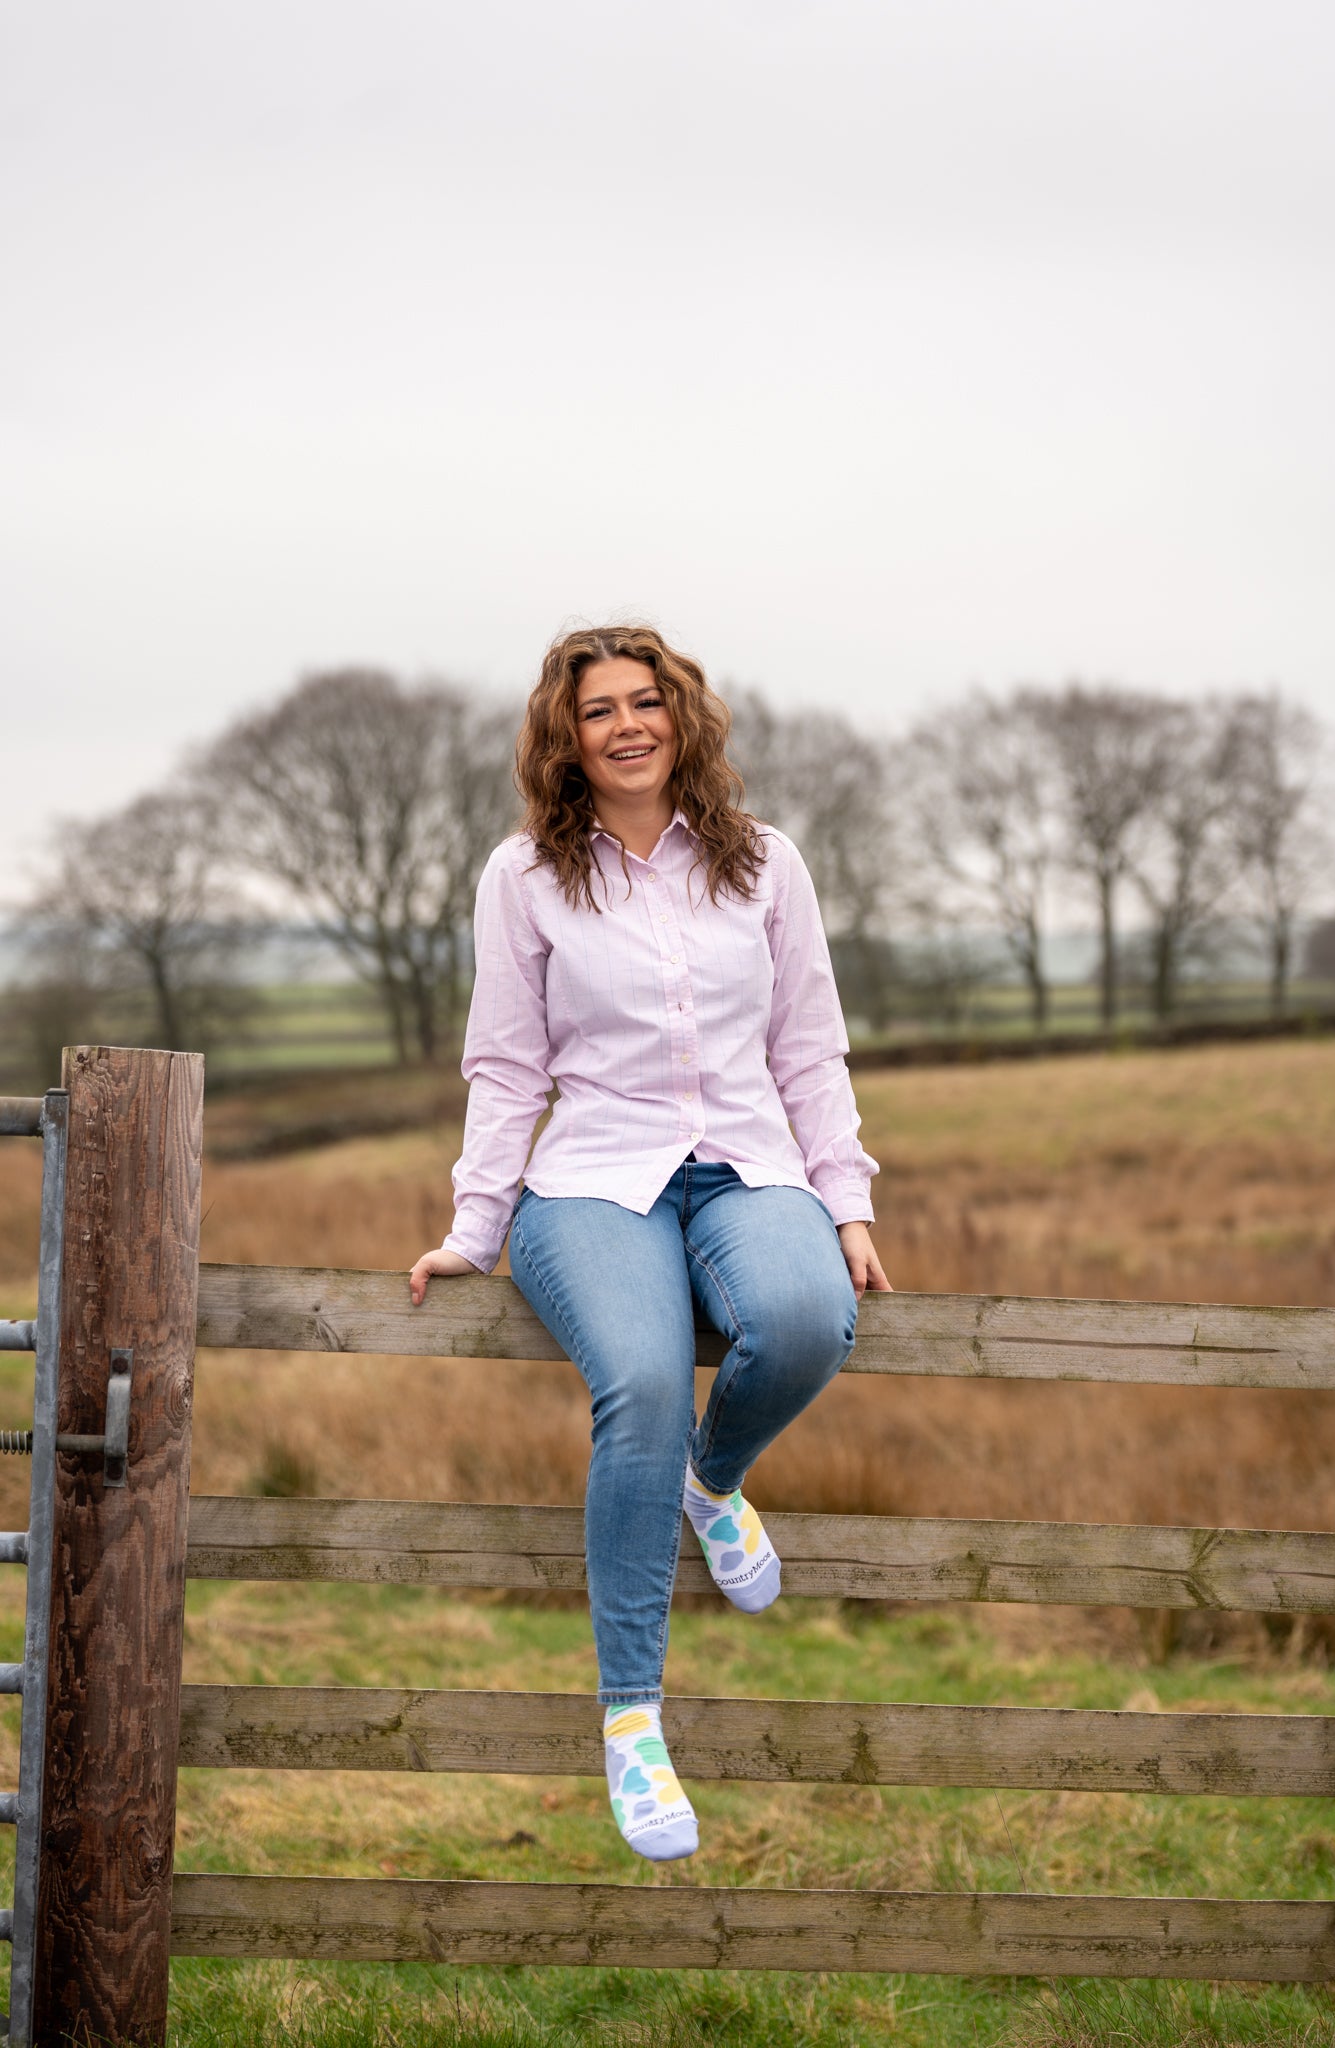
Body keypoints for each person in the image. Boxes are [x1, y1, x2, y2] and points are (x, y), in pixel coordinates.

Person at [409, 623, 890, 1862]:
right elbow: (508, 1063)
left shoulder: (766, 865)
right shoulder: (524, 876)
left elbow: (808, 1048)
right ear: (564, 740)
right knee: (636, 1383)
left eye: (644, 701)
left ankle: (713, 1479)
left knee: (801, 1316)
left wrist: (846, 1201)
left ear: (682, 717)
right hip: (591, 1184)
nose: (626, 725)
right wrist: (474, 1223)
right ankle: (633, 1718)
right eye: (597, 711)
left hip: (746, 1161)